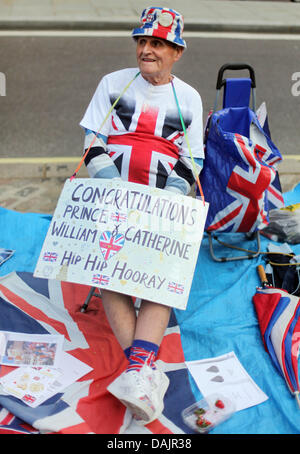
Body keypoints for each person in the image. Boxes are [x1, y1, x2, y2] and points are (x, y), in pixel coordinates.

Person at [79, 6, 204, 425]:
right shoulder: (112, 84)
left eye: (157, 44)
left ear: (176, 52)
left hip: (161, 205)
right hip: (112, 195)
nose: (146, 51)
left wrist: (168, 198)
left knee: (160, 277)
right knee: (110, 270)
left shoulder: (188, 97)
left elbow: (193, 158)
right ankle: (144, 370)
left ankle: (136, 370)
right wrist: (116, 189)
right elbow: (92, 140)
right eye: (142, 42)